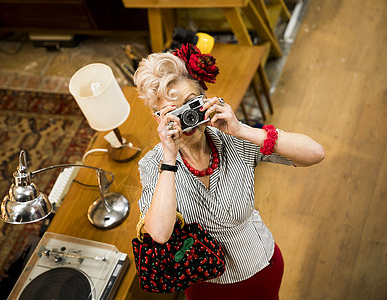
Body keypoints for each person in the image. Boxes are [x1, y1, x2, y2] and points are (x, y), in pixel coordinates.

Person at [133, 44, 325, 300]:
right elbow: (159, 233)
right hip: (205, 280)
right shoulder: (153, 164)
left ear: (205, 99)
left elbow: (315, 153)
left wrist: (243, 130)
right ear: (159, 119)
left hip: (259, 267)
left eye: (191, 105)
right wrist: (170, 157)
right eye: (174, 113)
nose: (187, 120)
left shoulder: (232, 139)